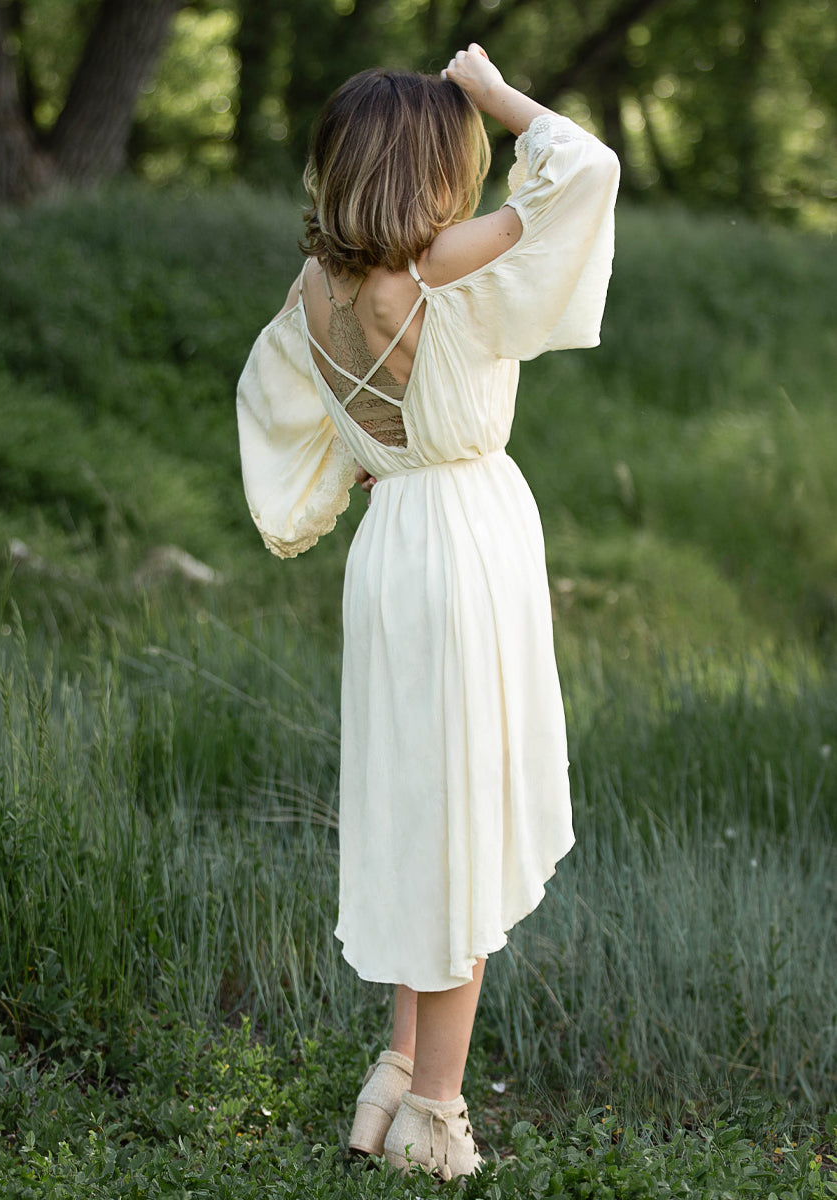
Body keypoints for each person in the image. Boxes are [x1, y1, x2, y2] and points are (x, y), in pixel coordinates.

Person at [237, 44, 619, 1180]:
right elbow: (581, 168)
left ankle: (396, 1071)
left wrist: (359, 463)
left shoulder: (315, 290)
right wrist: (500, 98)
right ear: (420, 172)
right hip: (462, 539)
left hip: (395, 539)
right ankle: (435, 1118)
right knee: (455, 826)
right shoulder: (441, 264)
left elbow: (278, 406)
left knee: (420, 806)